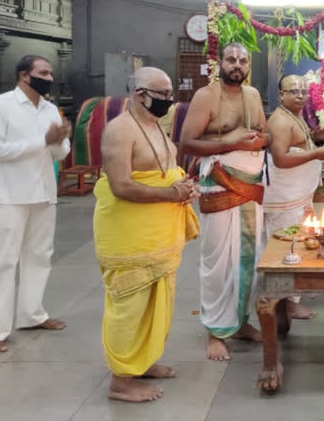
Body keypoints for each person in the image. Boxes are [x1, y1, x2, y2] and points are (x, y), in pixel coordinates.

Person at [93, 67, 199, 402]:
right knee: (130, 305)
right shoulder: (120, 130)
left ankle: (144, 360)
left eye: (170, 94)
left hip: (158, 234)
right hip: (131, 236)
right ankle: (121, 382)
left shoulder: (155, 125)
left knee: (157, 302)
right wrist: (171, 194)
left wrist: (181, 187)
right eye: (164, 95)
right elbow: (121, 185)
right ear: (141, 94)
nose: (170, 101)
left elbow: (162, 173)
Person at [180, 42, 270, 362]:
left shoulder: (253, 96)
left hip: (251, 190)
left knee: (250, 260)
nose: (237, 65)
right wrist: (232, 142)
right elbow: (187, 142)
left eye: (243, 61)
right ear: (220, 62)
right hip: (220, 188)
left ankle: (242, 323)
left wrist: (258, 141)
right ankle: (215, 332)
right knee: (218, 264)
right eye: (231, 59)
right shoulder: (207, 96)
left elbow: (264, 134)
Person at [0, 55, 71, 355]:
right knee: (3, 263)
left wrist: (59, 141)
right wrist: (43, 141)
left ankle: (32, 315)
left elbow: (59, 153)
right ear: (24, 76)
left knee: (39, 257)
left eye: (51, 73)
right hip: (9, 196)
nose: (50, 77)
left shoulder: (49, 110)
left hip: (43, 193)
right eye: (43, 72)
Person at [261, 74, 324, 319]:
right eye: (293, 91)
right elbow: (281, 159)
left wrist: (316, 139)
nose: (300, 95)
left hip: (296, 196)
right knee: (287, 245)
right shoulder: (280, 121)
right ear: (281, 95)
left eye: (303, 91)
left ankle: (289, 299)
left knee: (297, 242)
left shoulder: (295, 115)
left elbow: (299, 144)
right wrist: (316, 154)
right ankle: (284, 304)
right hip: (285, 198)